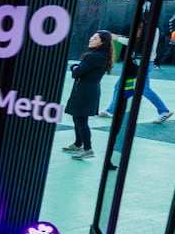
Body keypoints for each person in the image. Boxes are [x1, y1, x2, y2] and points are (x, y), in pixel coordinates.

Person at [63, 30, 114, 160]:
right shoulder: (101, 56)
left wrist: (74, 68)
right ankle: (78, 144)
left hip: (85, 92)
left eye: (95, 38)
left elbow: (77, 73)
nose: (91, 38)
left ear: (102, 42)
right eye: (92, 36)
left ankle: (87, 148)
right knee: (77, 118)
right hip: (88, 91)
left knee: (81, 120)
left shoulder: (95, 56)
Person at [98, 36, 172, 124]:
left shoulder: (151, 30)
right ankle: (112, 110)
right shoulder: (147, 29)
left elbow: (138, 43)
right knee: (121, 85)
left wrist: (117, 38)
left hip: (143, 62)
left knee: (143, 88)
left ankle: (163, 111)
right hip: (137, 62)